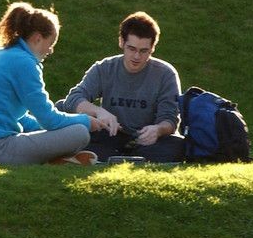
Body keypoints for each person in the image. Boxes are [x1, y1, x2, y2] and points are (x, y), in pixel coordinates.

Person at [0, 2, 104, 165]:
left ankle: (58, 159)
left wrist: (48, 133)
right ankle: (56, 157)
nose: (50, 51)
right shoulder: (24, 62)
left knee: (64, 130)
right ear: (37, 38)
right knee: (79, 133)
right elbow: (49, 119)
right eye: (50, 44)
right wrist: (86, 121)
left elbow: (19, 117)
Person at [57, 11, 185, 163]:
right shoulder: (104, 68)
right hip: (110, 135)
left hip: (148, 140)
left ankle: (105, 157)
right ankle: (114, 157)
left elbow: (170, 119)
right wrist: (99, 112)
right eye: (132, 49)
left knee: (179, 146)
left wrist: (157, 130)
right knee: (75, 129)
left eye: (144, 51)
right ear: (121, 43)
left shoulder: (165, 74)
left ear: (153, 48)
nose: (137, 57)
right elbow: (72, 100)